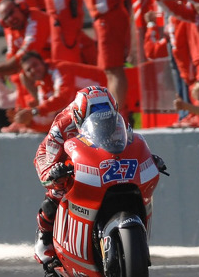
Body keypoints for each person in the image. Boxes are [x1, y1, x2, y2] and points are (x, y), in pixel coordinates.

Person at [32, 86, 149, 265]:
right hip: (55, 154)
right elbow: (49, 160)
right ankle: (44, 238)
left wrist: (147, 159)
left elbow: (127, 146)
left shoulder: (117, 122)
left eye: (108, 119)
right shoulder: (62, 124)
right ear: (79, 117)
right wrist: (55, 171)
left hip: (91, 153)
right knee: (58, 187)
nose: (103, 124)